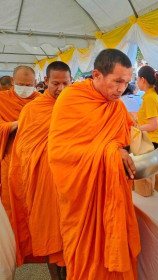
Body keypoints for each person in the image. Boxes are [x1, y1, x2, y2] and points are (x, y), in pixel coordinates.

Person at [48, 49, 140, 279]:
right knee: (85, 259)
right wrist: (109, 152)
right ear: (97, 75)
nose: (122, 88)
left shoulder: (117, 106)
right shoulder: (72, 99)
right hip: (82, 197)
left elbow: (127, 140)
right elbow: (60, 153)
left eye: (127, 82)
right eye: (117, 81)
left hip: (111, 191)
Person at [8, 61, 72, 279]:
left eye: (65, 83)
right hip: (43, 182)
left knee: (72, 234)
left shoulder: (77, 107)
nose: (61, 88)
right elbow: (24, 149)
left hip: (73, 183)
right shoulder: (32, 109)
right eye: (55, 83)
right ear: (45, 82)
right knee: (48, 232)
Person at [0, 66, 40, 222]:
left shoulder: (40, 101)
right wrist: (15, 124)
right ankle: (14, 243)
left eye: (29, 85)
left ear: (35, 82)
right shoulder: (2, 100)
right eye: (21, 85)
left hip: (35, 161)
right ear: (12, 81)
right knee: (10, 203)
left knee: (33, 206)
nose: (25, 89)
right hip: (9, 159)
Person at [137, 66, 158, 154]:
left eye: (137, 79)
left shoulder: (150, 97)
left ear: (143, 80)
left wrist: (137, 128)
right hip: (154, 143)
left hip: (155, 144)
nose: (137, 82)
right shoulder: (151, 95)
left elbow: (153, 125)